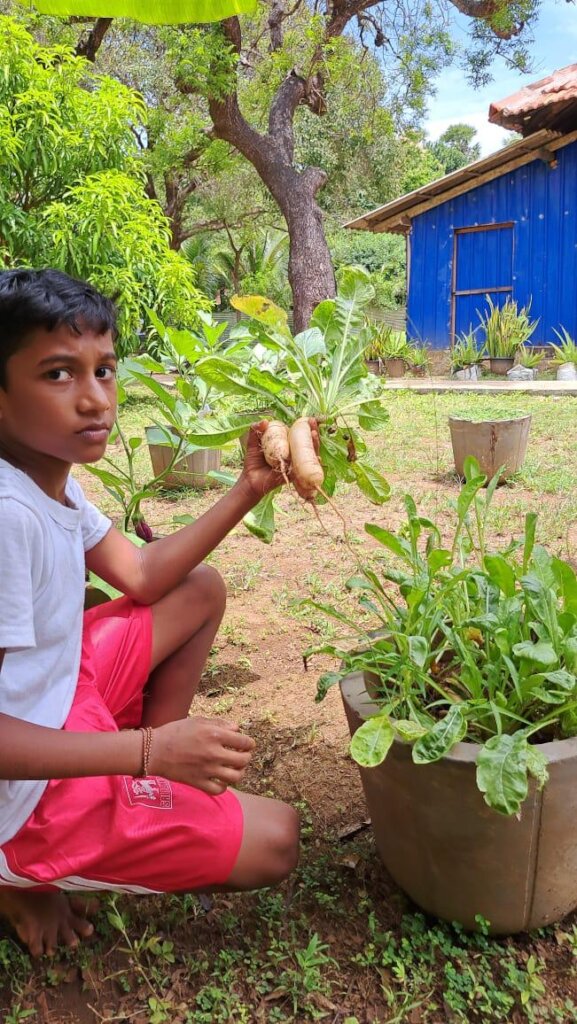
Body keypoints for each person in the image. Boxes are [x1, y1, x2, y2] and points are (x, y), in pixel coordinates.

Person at [0, 268, 308, 957]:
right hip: (22, 797)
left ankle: (148, 783)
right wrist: (147, 749)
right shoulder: (5, 518)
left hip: (58, 691)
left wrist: (246, 490)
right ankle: (18, 877)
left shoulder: (48, 479)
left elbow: (140, 574)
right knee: (276, 839)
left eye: (104, 370)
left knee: (197, 588)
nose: (93, 400)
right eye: (57, 375)